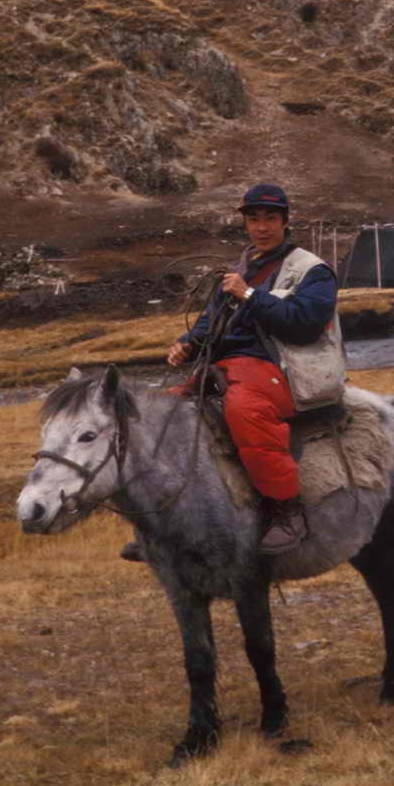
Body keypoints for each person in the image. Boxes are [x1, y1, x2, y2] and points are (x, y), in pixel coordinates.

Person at [126, 183, 346, 560]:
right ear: (245, 223)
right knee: (159, 413)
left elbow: (306, 324)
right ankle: (160, 524)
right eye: (254, 219)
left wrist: (249, 295)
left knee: (244, 411)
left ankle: (287, 512)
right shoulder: (242, 270)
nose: (261, 227)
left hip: (282, 369)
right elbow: (211, 321)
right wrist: (187, 343)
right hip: (228, 366)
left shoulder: (312, 271)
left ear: (286, 221)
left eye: (270, 219)